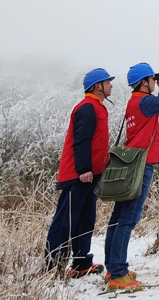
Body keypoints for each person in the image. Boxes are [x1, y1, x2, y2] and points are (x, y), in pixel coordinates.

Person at [103, 62, 159, 291]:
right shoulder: (144, 102)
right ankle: (118, 273)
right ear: (144, 82)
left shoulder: (136, 103)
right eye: (152, 80)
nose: (155, 83)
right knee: (128, 218)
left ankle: (113, 267)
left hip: (130, 163)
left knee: (118, 217)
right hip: (140, 165)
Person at [44, 68, 115, 277]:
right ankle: (52, 268)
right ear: (97, 86)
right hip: (78, 176)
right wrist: (84, 169)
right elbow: (82, 140)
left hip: (91, 176)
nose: (111, 85)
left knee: (85, 220)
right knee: (66, 221)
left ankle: (81, 264)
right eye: (107, 82)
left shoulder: (99, 107)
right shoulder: (87, 107)